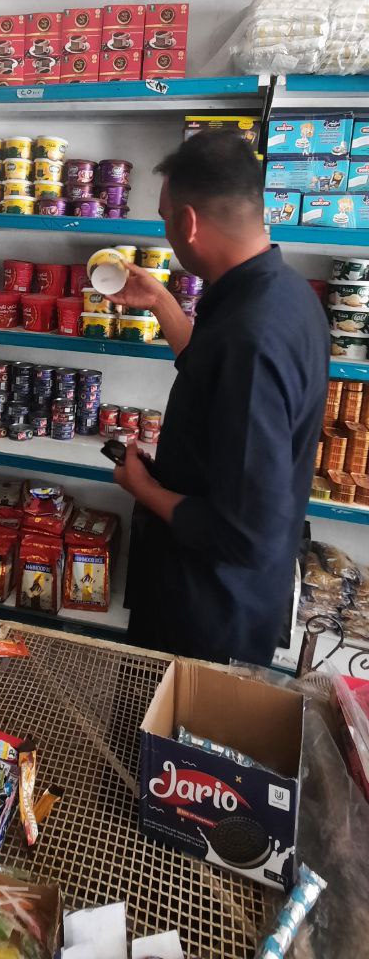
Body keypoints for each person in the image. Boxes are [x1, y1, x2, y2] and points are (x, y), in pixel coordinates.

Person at [111, 131, 329, 665]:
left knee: (162, 721)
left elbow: (245, 535)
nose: (166, 231)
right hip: (225, 598)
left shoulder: (252, 335)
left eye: (165, 219)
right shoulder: (282, 293)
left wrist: (144, 488)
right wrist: (162, 301)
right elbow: (216, 372)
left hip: (207, 614)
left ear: (188, 222)